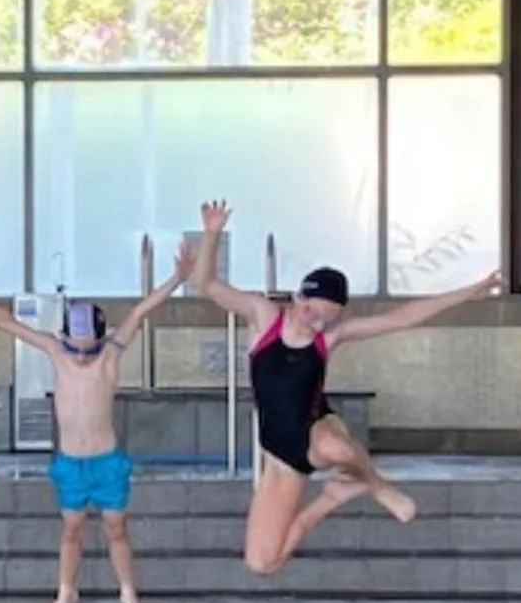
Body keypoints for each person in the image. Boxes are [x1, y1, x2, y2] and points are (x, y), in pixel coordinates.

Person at [185, 200, 501, 576]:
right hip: (281, 458)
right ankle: (334, 496)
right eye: (312, 313)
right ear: (299, 298)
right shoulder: (264, 316)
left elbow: (401, 318)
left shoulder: (329, 338)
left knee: (336, 448)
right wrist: (211, 234)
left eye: (327, 319)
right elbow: (205, 283)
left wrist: (469, 292)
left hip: (317, 427)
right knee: (262, 562)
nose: (317, 324)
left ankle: (379, 487)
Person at [0, 244, 193, 603]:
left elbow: (141, 310)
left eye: (90, 349)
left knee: (116, 529)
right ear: (65, 338)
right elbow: (9, 324)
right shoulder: (56, 351)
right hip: (70, 463)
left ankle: (129, 599)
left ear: (101, 341)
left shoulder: (110, 355)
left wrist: (177, 278)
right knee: (71, 530)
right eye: (76, 348)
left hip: (107, 460)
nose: (83, 357)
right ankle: (64, 596)